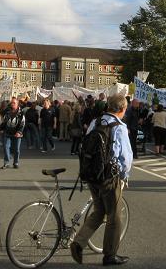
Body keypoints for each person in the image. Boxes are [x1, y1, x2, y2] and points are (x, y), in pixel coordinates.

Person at [70, 94, 132, 266]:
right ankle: (110, 255)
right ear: (122, 109)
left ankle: (79, 242)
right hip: (109, 177)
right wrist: (124, 177)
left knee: (98, 210)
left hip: (92, 174)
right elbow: (126, 157)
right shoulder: (119, 127)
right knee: (114, 216)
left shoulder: (95, 122)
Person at [0, 98, 25, 168]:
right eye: (11, 103)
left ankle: (16, 163)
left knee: (16, 149)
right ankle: (6, 162)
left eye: (14, 103)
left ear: (17, 104)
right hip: (7, 133)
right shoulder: (7, 112)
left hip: (17, 134)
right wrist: (0, 129)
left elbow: (22, 124)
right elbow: (4, 122)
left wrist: (19, 132)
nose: (12, 104)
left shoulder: (21, 113)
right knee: (6, 147)